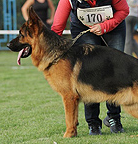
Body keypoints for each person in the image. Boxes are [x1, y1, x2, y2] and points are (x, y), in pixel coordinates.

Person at [51, 0, 129, 135]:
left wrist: (105, 26)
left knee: (115, 72)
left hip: (114, 27)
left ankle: (114, 118)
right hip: (83, 29)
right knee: (89, 72)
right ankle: (93, 123)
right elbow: (58, 27)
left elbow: (124, 10)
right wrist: (49, 49)